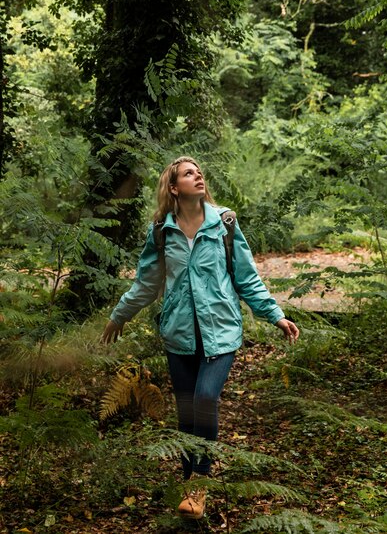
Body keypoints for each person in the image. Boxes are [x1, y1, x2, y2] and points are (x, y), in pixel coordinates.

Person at [102, 156, 299, 520]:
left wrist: (276, 314)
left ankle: (199, 486)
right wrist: (120, 314)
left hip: (220, 332)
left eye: (199, 171)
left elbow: (245, 277)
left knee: (205, 400)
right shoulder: (162, 231)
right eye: (189, 173)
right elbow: (147, 283)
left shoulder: (223, 224)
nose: (198, 176)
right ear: (174, 188)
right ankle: (187, 493)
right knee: (186, 415)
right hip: (179, 335)